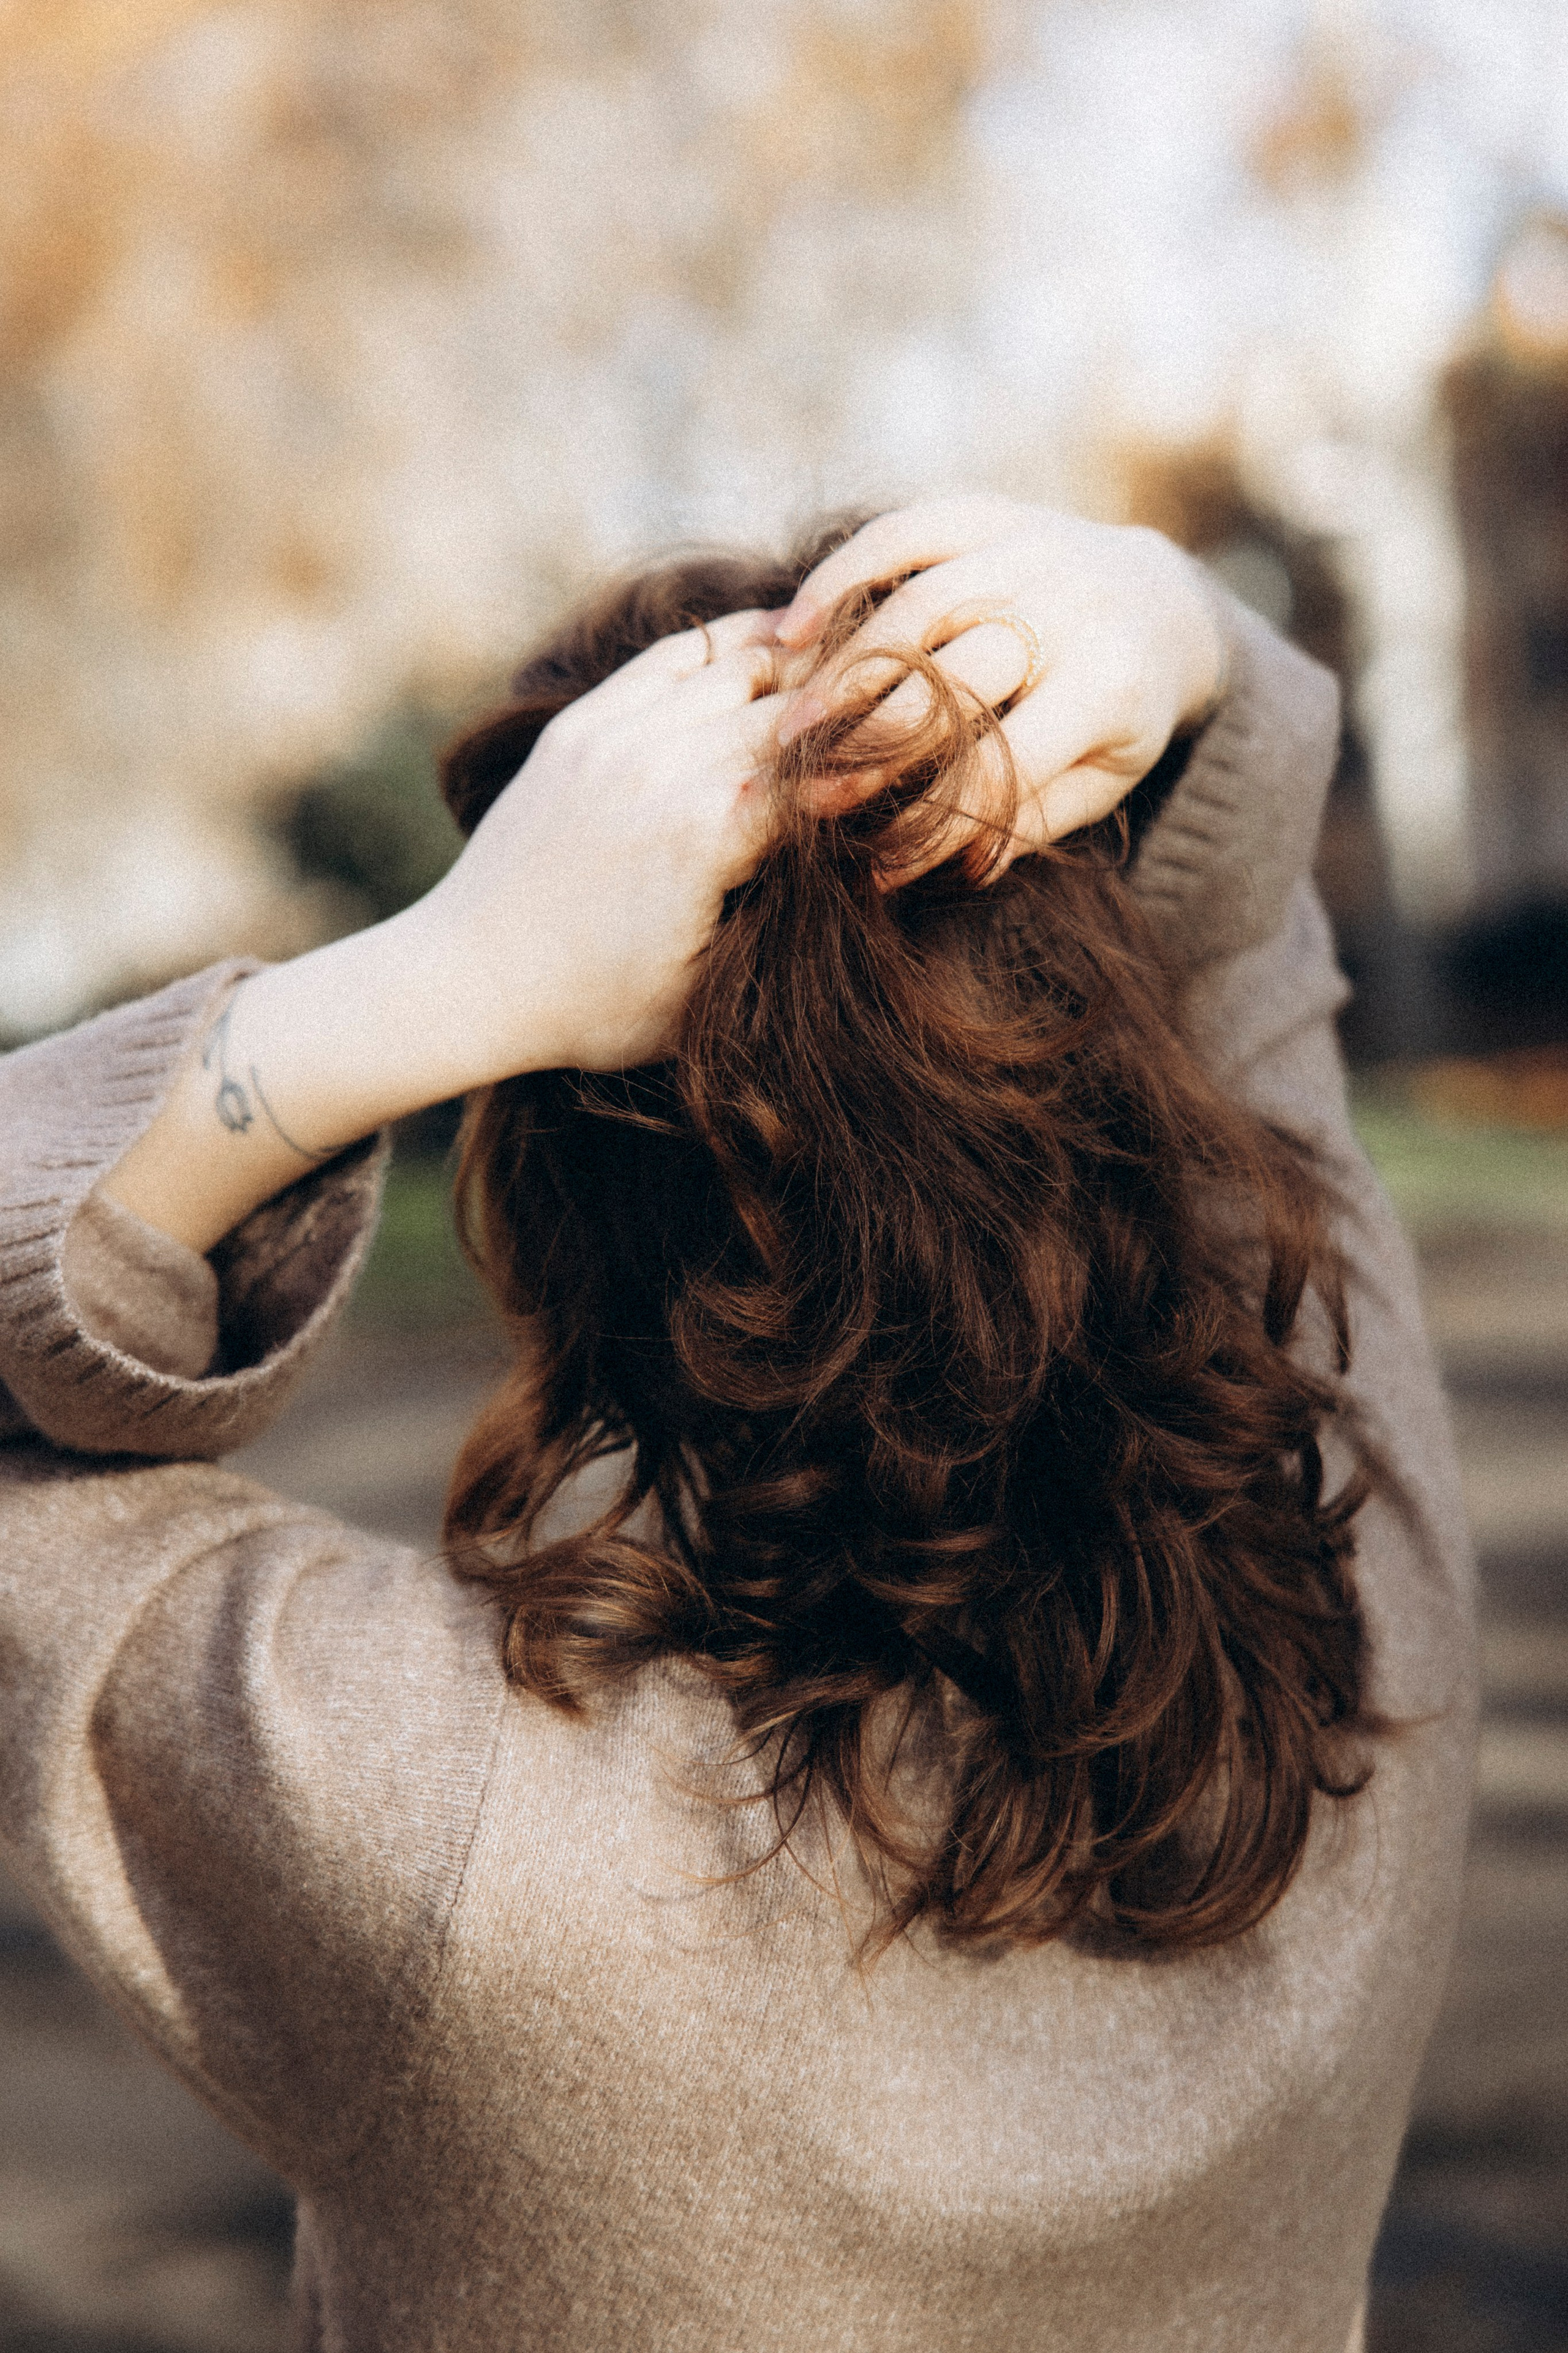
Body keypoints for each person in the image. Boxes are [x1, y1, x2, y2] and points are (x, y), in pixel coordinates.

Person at [0, 499, 1473, 2352]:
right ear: (1116, 1069)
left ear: (562, 1181)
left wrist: (431, 982)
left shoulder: (437, 1821)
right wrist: (1175, 622)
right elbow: (1251, 913)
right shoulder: (1365, 1614)